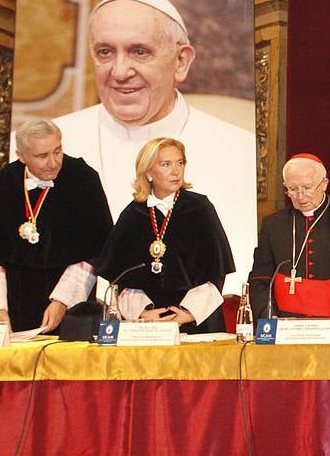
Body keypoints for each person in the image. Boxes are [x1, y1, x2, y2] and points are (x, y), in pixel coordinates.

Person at [51, 0, 256, 295]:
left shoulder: (239, 147)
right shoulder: (51, 144)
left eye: (140, 52)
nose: (119, 72)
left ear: (181, 62)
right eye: (105, 52)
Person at [0, 119, 113, 333]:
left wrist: (62, 301)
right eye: (42, 156)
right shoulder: (1, 185)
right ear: (21, 156)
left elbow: (96, 246)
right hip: (14, 302)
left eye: (57, 151)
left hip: (70, 307)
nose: (53, 162)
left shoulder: (83, 179)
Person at [95, 137, 234, 334]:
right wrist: (144, 313)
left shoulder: (200, 208)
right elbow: (120, 276)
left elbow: (216, 270)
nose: (176, 171)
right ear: (149, 172)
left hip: (196, 322)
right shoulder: (133, 214)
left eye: (180, 162)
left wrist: (188, 313)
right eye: (166, 164)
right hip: (148, 325)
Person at [249, 154, 330, 336]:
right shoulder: (273, 224)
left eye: (307, 188)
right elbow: (260, 280)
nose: (300, 196)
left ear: (324, 183)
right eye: (292, 189)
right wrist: (271, 317)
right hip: (287, 331)